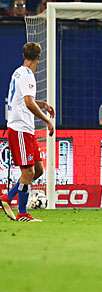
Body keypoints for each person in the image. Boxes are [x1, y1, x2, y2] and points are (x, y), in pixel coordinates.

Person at [0, 43, 55, 222]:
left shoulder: (19, 72)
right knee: (29, 171)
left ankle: (8, 198)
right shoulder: (27, 74)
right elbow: (28, 103)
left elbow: (26, 100)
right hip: (20, 128)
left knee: (37, 170)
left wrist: (43, 103)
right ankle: (22, 212)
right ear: (39, 58)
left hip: (25, 129)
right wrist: (46, 120)